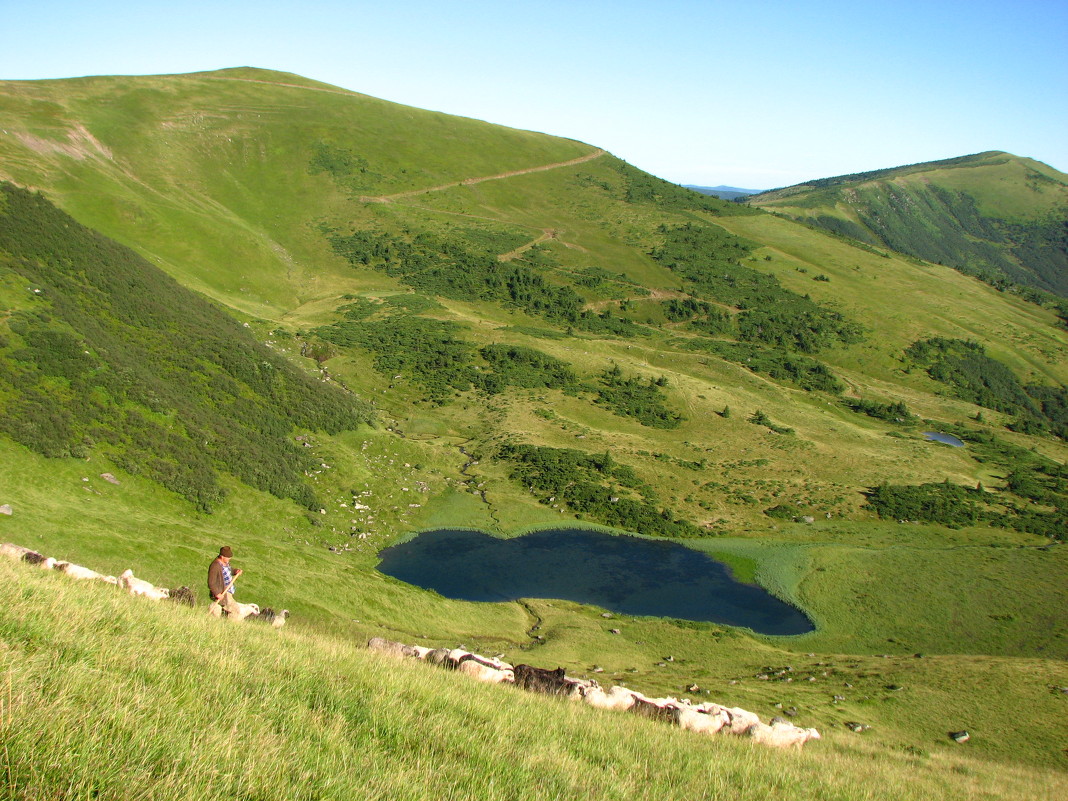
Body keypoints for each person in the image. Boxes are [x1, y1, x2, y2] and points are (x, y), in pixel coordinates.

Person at [207, 546, 243, 617]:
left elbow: (229, 570)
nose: (229, 559)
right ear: (222, 556)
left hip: (228, 590)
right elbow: (211, 582)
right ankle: (232, 625)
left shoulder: (225, 563)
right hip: (223, 592)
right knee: (235, 610)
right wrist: (217, 593)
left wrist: (235, 571)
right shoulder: (215, 566)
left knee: (226, 609)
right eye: (228, 557)